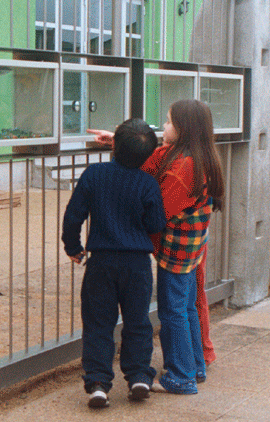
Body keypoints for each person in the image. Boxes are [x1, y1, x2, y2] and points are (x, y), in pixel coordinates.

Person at [89, 99, 224, 395]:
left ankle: (180, 376)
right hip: (190, 250)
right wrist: (119, 141)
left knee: (172, 312)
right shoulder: (191, 156)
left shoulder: (184, 166)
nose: (163, 126)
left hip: (176, 253)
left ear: (184, 128)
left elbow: (159, 212)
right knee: (186, 307)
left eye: (168, 121)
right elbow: (151, 156)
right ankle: (195, 366)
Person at [62, 118, 167, 408]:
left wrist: (73, 247)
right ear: (148, 155)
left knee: (97, 323)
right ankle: (138, 376)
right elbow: (156, 222)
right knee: (137, 321)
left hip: (101, 263)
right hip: (137, 264)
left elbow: (73, 215)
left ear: (114, 145)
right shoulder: (147, 183)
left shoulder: (94, 174)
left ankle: (97, 382)